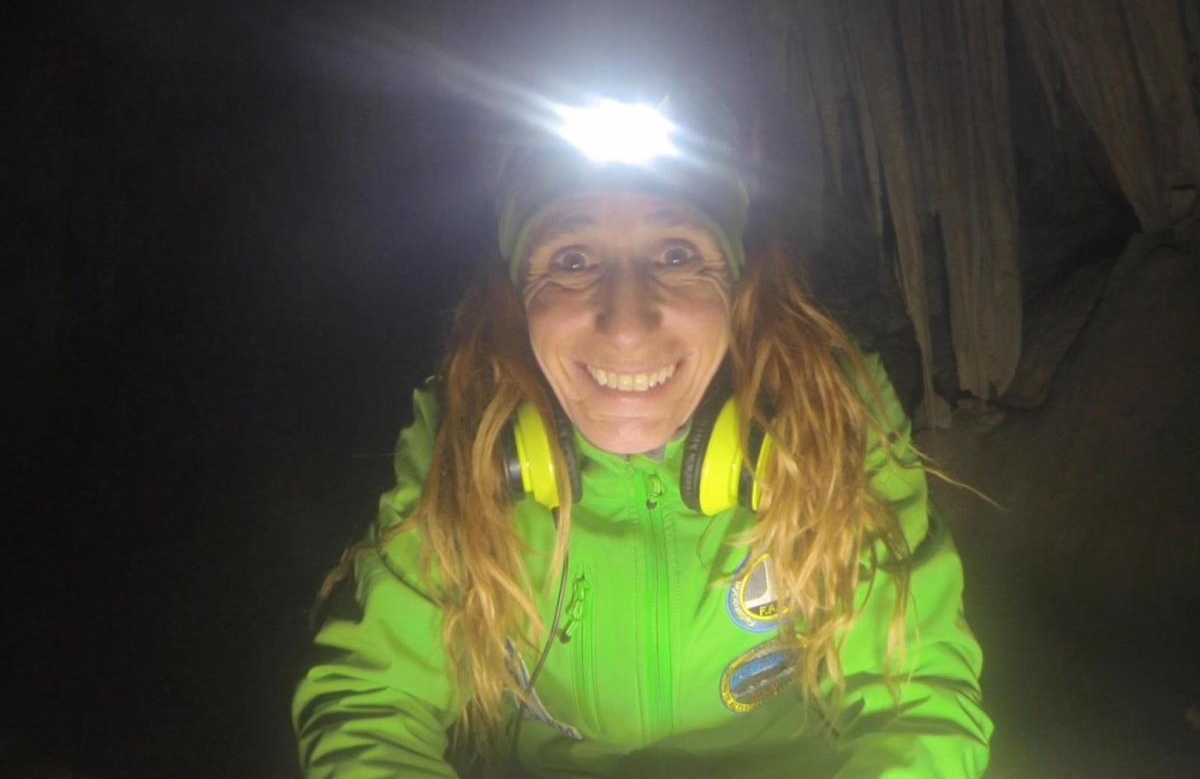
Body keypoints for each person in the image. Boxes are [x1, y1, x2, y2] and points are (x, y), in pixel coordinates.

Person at [292, 88, 993, 778]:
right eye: (573, 260)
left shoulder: (830, 411)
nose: (626, 323)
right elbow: (373, 706)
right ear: (516, 298)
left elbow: (917, 706)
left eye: (677, 254)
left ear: (740, 287)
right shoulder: (470, 431)